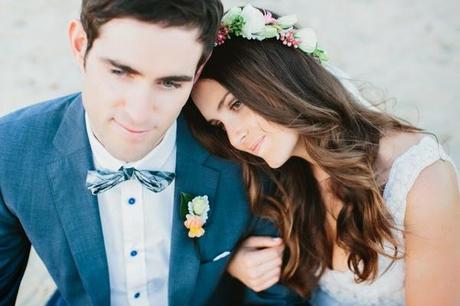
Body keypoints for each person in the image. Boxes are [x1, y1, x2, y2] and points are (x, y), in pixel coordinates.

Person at [0, 1, 301, 305]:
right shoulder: (12, 151)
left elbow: (277, 294)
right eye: (119, 72)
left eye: (170, 83)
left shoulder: (241, 150)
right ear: (80, 45)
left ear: (198, 71)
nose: (139, 113)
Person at [187, 5, 460, 306]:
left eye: (236, 104)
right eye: (219, 125)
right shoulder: (283, 176)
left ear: (277, 76)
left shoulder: (419, 179)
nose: (234, 136)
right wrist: (234, 264)